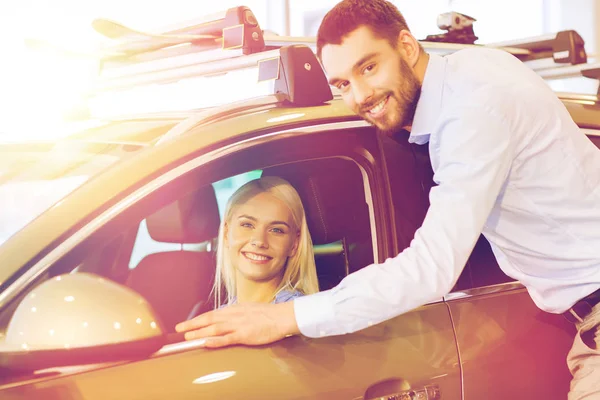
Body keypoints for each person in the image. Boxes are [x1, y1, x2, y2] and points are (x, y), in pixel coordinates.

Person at [176, 1, 600, 397]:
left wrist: (284, 317)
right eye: (343, 82)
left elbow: (431, 269)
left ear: (407, 45)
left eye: (369, 67)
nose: (359, 96)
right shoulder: (471, 73)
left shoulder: (471, 112)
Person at [210, 176, 319, 308]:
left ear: (294, 243)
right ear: (226, 233)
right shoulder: (219, 316)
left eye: (276, 230)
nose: (260, 241)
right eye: (247, 225)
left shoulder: (301, 315)